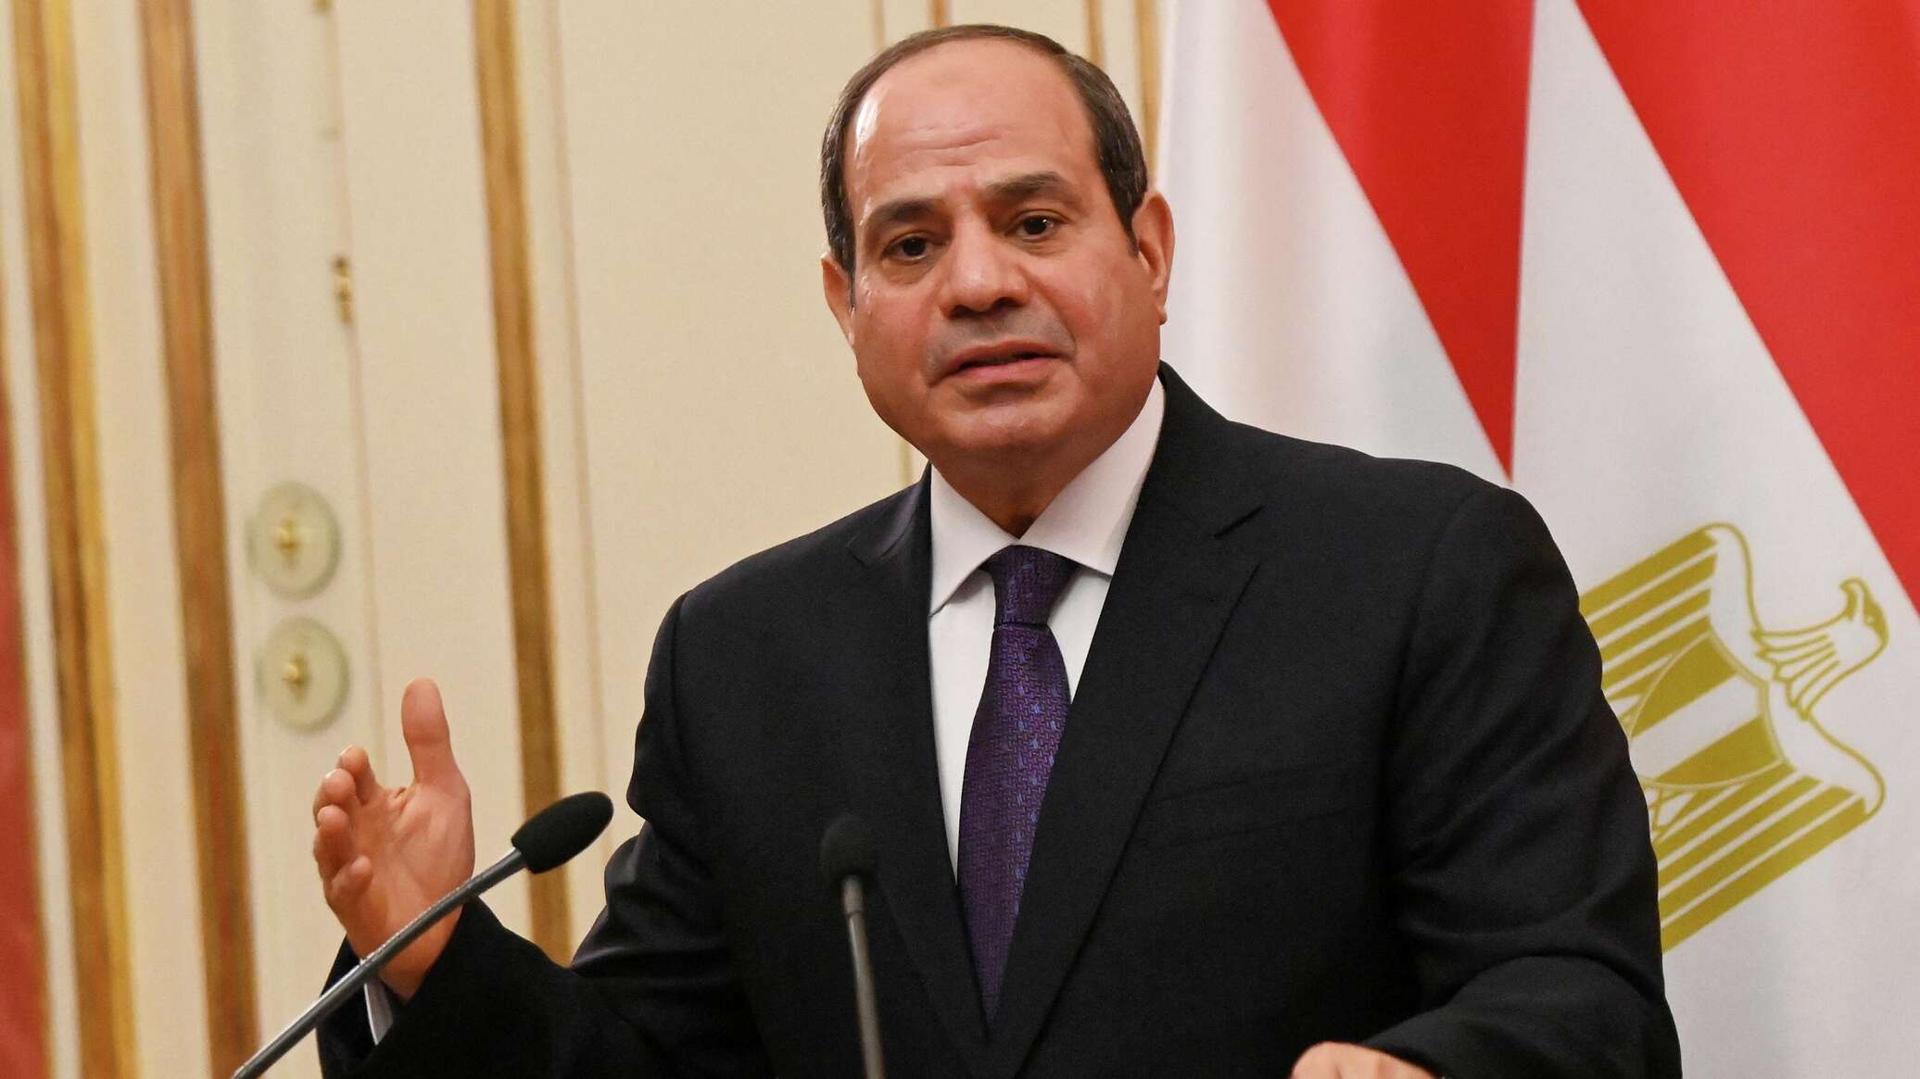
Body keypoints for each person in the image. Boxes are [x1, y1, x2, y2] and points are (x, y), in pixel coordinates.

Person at [310, 24, 1679, 1077]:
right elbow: (655, 1066)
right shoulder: (744, 657)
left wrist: (1429, 1072)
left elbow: (1579, 994)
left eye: (1033, 222)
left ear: (1149, 251)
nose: (978, 284)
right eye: (911, 245)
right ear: (847, 304)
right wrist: (436, 962)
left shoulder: (1416, 570)